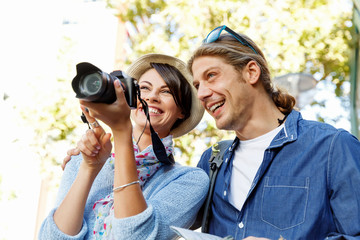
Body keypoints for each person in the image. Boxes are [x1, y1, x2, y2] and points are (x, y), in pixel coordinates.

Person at [187, 25, 360, 239]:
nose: (202, 94)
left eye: (211, 75)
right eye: (197, 85)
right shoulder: (211, 163)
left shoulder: (332, 147)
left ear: (251, 72)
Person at [39, 53, 209, 240]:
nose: (152, 97)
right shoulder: (85, 157)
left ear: (182, 111)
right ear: (130, 97)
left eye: (166, 91)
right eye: (144, 88)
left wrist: (121, 132)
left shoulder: (189, 180)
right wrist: (89, 168)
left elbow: (134, 236)